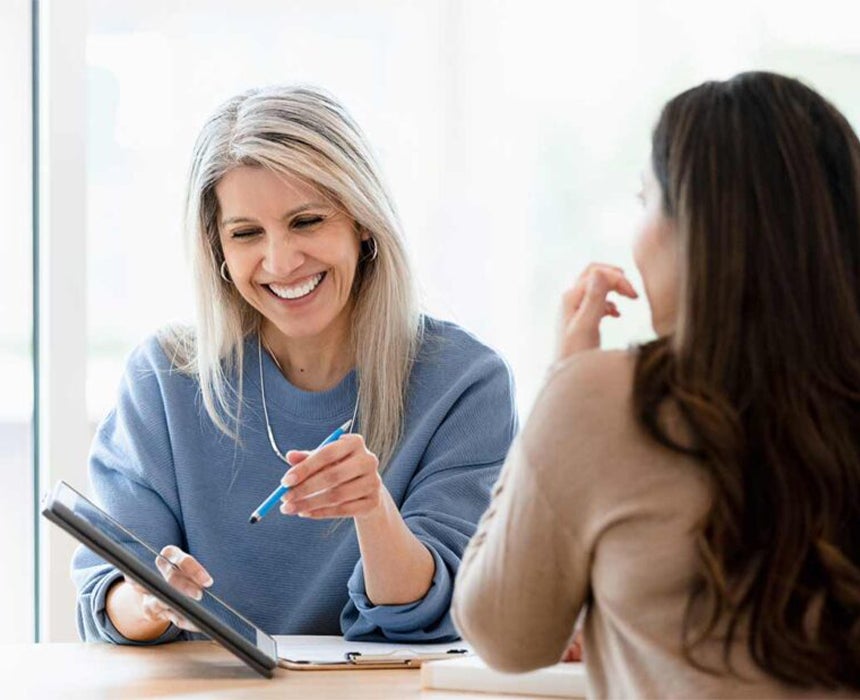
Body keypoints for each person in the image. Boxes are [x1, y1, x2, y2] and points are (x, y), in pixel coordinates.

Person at [452, 71, 860, 697]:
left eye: (645, 200)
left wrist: (563, 381)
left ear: (695, 227)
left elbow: (506, 636)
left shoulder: (603, 398)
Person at [72, 85, 517, 645]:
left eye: (306, 221)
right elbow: (105, 597)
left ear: (361, 220)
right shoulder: (163, 378)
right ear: (217, 248)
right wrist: (149, 597)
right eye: (246, 233)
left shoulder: (465, 383)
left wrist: (373, 509)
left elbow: (436, 611)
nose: (281, 262)